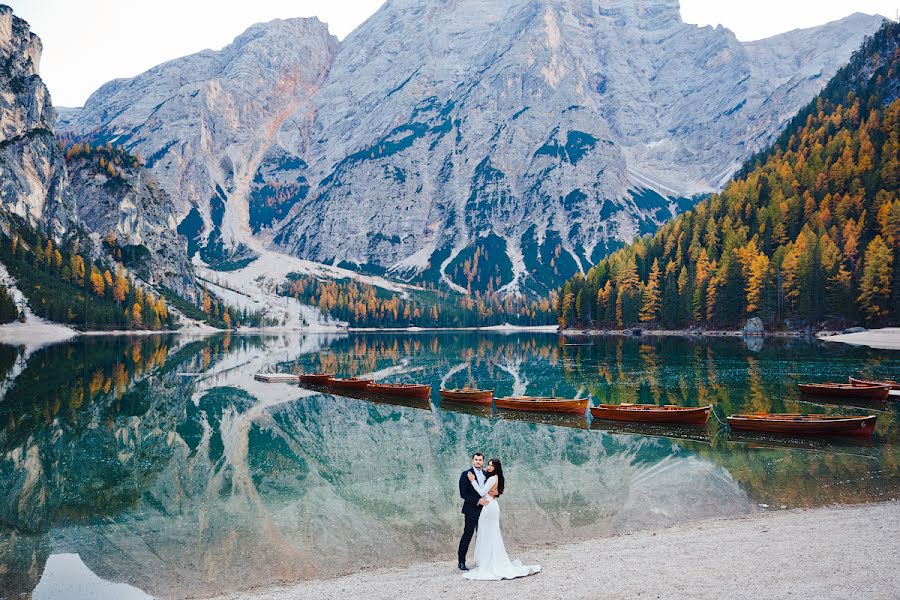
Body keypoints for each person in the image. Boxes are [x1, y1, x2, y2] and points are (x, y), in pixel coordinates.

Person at [462, 458, 541, 580]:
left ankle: (487, 562)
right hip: (492, 505)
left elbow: (482, 492)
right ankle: (486, 560)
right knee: (490, 533)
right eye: (488, 465)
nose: (488, 467)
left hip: (488, 506)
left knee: (485, 533)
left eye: (491, 466)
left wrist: (473, 481)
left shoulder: (492, 478)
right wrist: (482, 471)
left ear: (496, 468)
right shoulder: (495, 477)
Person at [458, 452, 489, 571]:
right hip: (471, 510)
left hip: (485, 510)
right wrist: (478, 501)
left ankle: (483, 561)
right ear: (472, 461)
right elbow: (463, 494)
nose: (478, 461)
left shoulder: (486, 474)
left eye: (480, 460)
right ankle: (461, 562)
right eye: (476, 459)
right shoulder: (465, 474)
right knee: (468, 535)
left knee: (483, 535)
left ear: (483, 461)